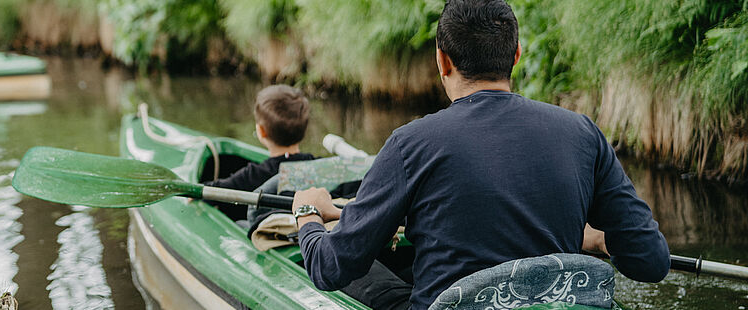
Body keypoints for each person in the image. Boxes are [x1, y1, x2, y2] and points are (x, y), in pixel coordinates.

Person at [288, 1, 671, 309]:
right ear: (516, 55)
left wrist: (307, 213)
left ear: (442, 61)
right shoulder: (583, 133)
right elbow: (651, 263)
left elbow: (330, 268)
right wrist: (603, 240)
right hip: (557, 301)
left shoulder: (410, 144)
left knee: (365, 271)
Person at [203, 85, 316, 222]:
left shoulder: (252, 175)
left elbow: (211, 191)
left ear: (261, 131)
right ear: (304, 130)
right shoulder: (318, 166)